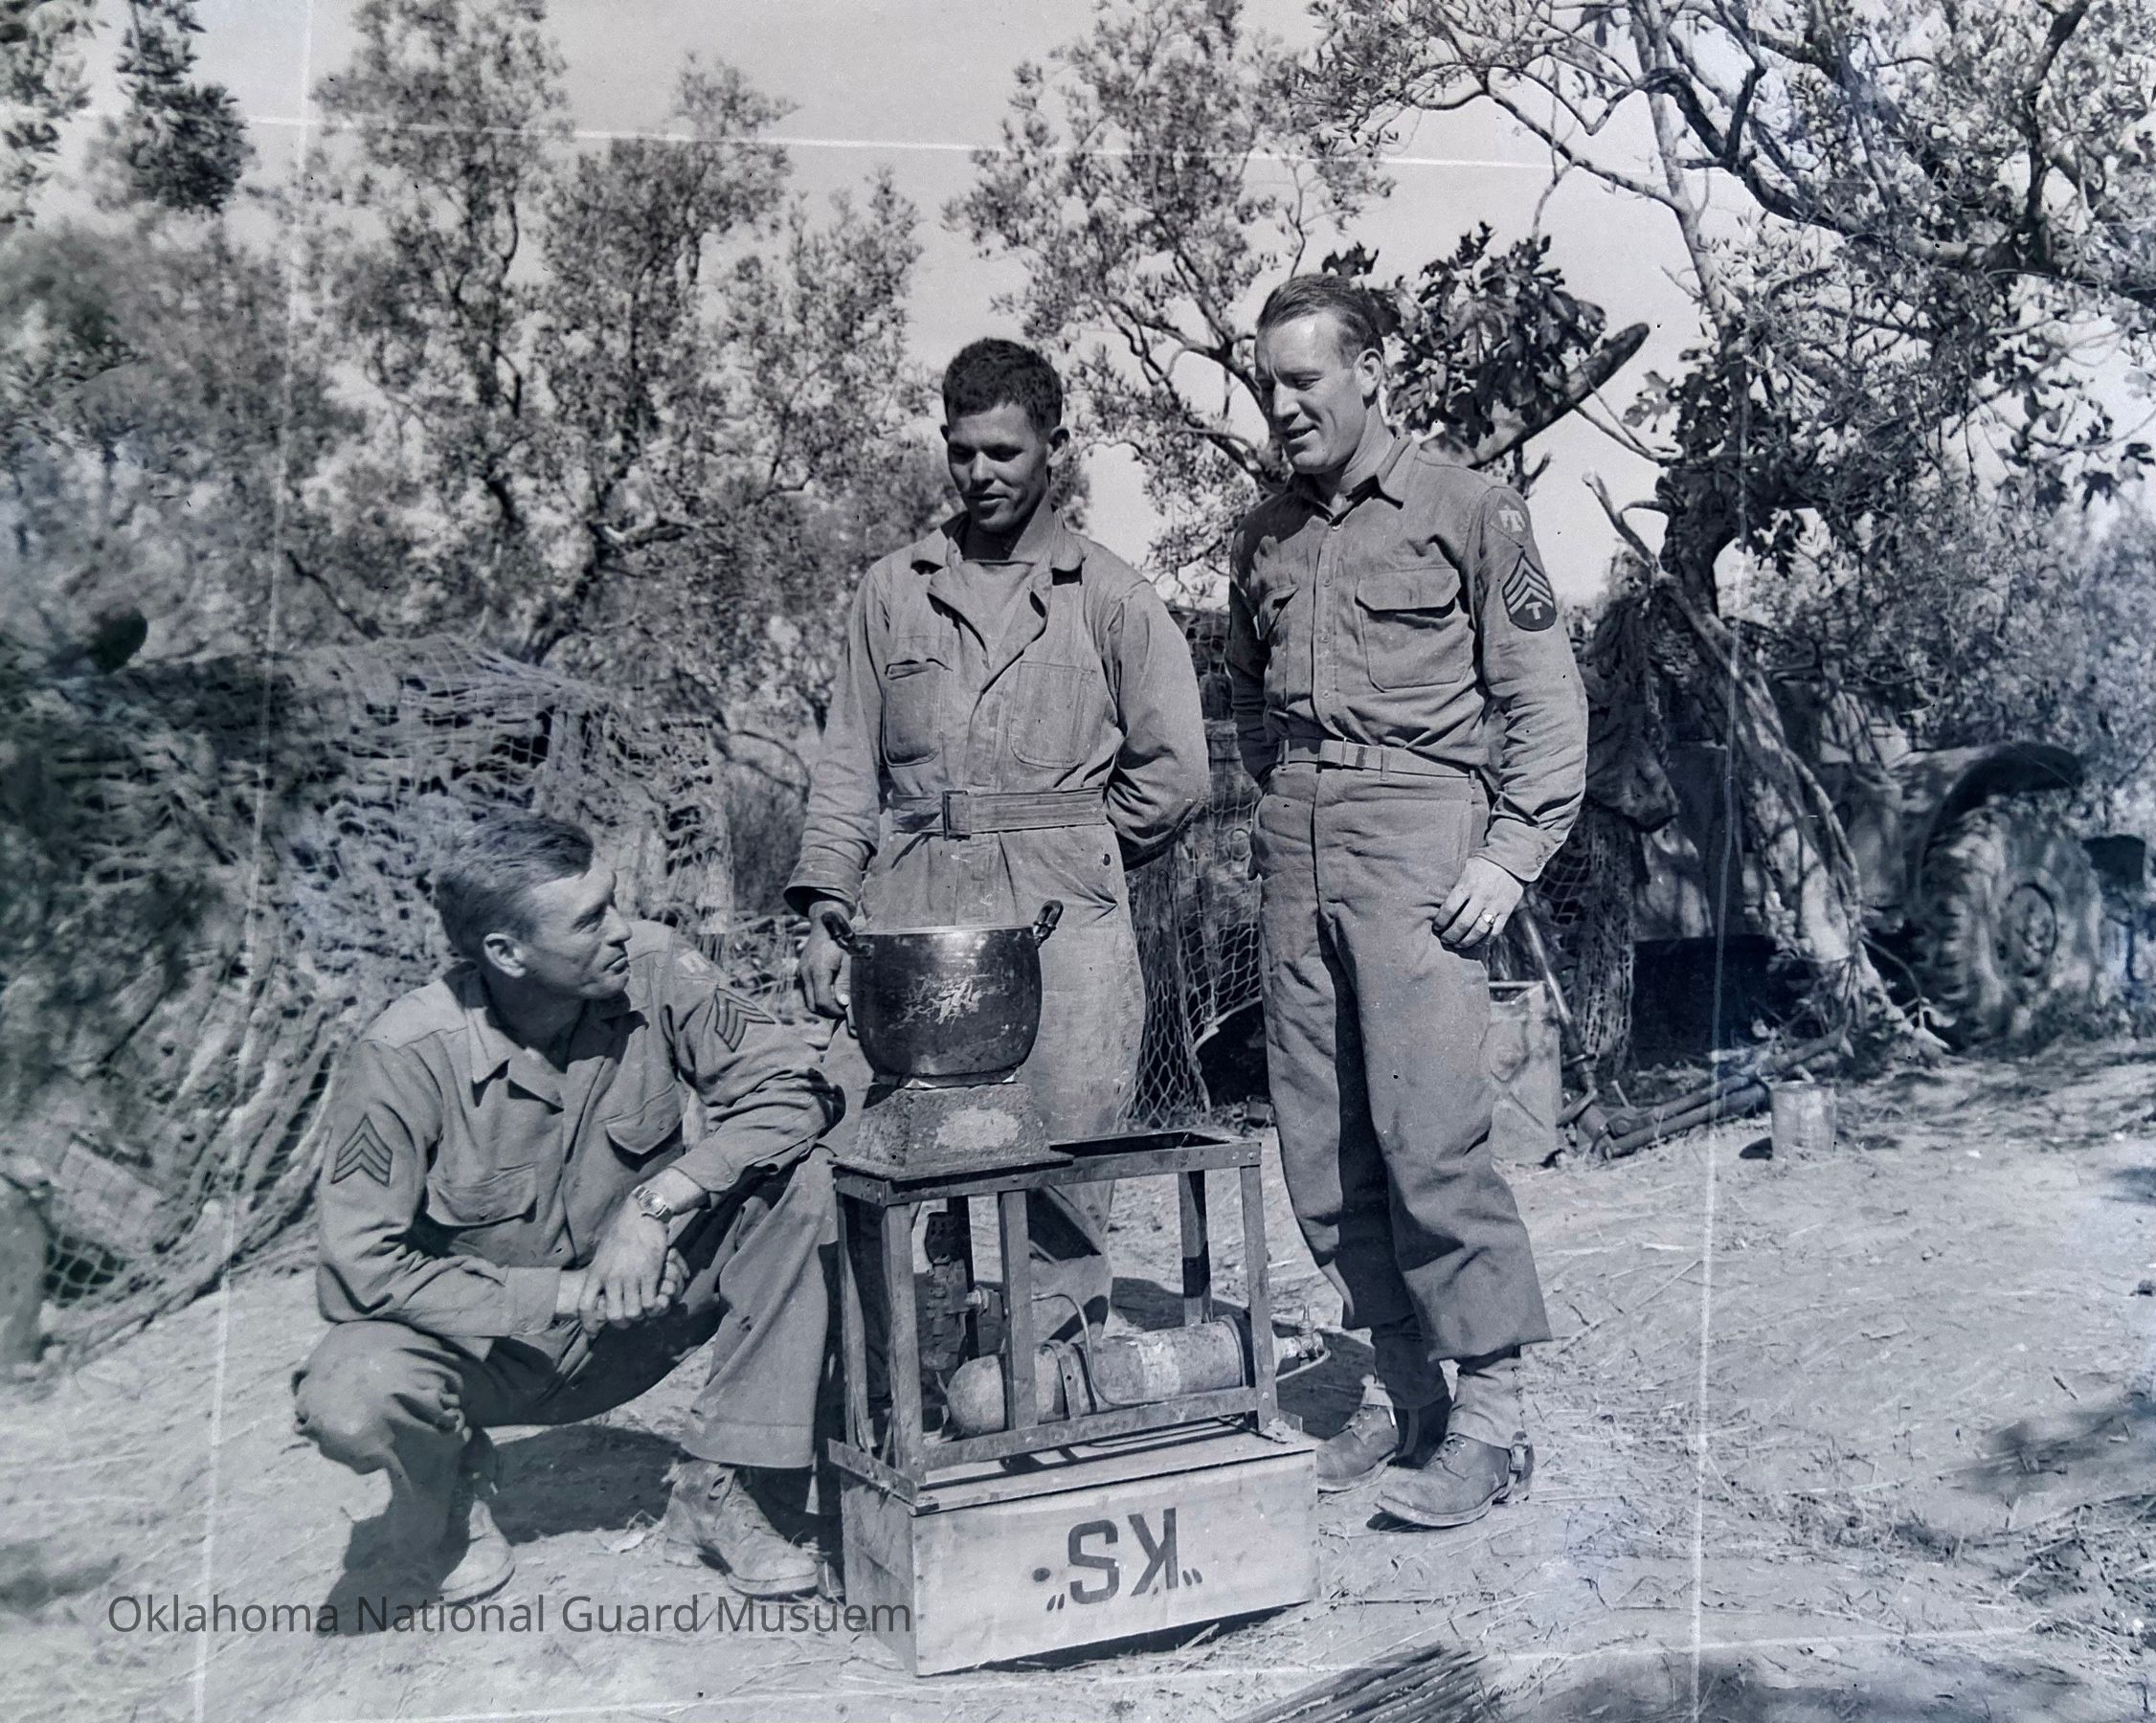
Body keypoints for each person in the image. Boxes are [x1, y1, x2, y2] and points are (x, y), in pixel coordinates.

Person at [1225, 275, 1588, 1529]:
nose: (1282, 406)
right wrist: (1290, 805)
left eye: (1303, 380)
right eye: (1267, 386)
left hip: (1421, 837)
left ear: (1371, 370)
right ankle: (1405, 1387)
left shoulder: (1469, 508)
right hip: (1297, 841)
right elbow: (1246, 696)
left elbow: (1544, 697)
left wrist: (1511, 853)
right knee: (1322, 1148)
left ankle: (1492, 1420)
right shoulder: (1262, 537)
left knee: (1432, 1139)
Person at [293, 813, 843, 1604]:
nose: (621, 928)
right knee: (350, 1393)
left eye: (612, 902)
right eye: (589, 920)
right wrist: (568, 1292)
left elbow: (796, 1090)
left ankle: (723, 1486)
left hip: (650, 1313)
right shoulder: (404, 1057)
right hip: (492, 1353)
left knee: (808, 1181)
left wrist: (654, 1206)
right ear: (506, 954)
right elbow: (359, 1269)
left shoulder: (656, 967)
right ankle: (446, 1495)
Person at [788, 337, 1209, 1341]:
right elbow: (847, 766)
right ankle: (910, 1389)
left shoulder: (1110, 596)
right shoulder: (892, 591)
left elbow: (1177, 772)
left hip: (1066, 934)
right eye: (962, 451)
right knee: (883, 1170)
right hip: (912, 923)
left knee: (1061, 1182)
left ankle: (1046, 1388)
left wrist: (1079, 851)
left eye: (1004, 452)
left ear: (1054, 448)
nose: (979, 473)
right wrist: (826, 907)